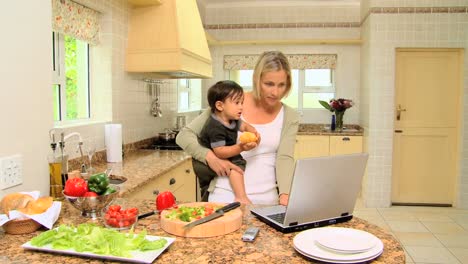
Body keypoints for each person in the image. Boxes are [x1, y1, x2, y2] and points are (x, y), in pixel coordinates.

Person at [176, 51, 299, 205]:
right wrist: (211, 158)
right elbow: (184, 136)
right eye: (269, 84)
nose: (276, 92)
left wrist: (285, 194)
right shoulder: (230, 102)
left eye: (282, 85)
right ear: (256, 79)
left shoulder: (290, 116)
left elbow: (284, 158)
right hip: (224, 196)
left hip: (268, 200)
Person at [193, 80, 260, 204]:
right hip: (205, 162)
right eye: (236, 103)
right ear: (220, 106)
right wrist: (241, 148)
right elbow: (220, 153)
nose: (241, 107)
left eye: (242, 102)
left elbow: (244, 126)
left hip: (221, 151)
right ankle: (241, 197)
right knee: (236, 166)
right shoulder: (215, 127)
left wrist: (253, 131)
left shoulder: (231, 118)